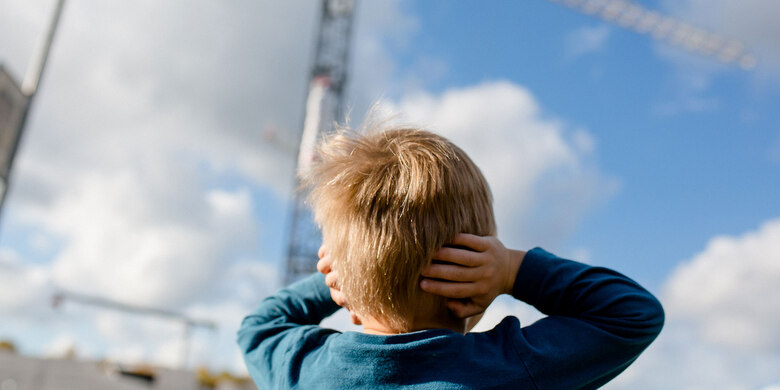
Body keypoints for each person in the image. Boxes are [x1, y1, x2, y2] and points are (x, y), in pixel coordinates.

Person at [238, 123, 664, 389]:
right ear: (476, 271)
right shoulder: (512, 370)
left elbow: (258, 327)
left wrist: (344, 275)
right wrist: (515, 270)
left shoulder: (306, 373)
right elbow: (634, 314)